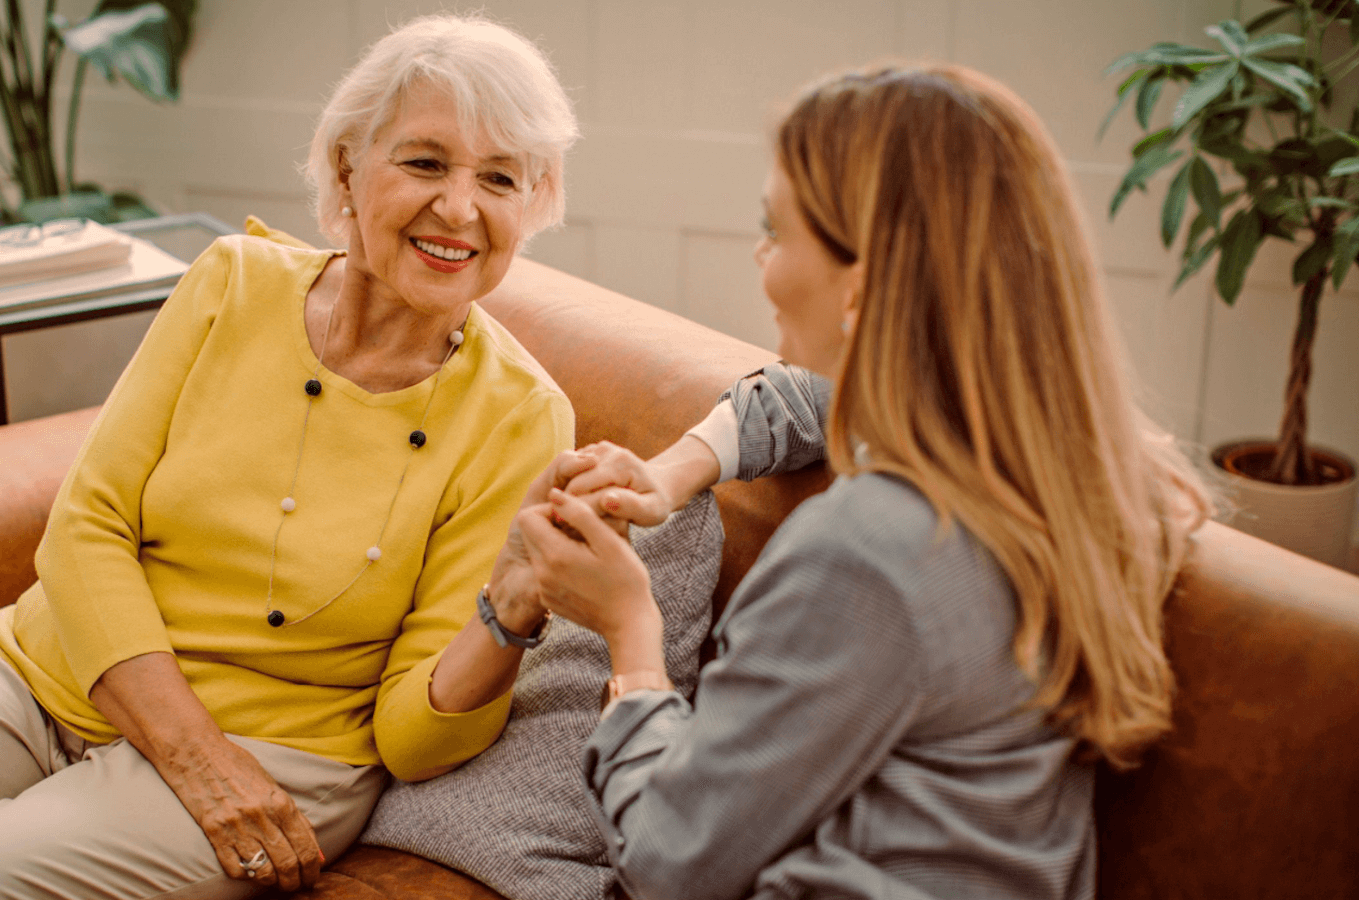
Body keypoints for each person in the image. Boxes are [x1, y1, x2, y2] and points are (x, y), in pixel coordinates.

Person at [0, 14, 577, 900]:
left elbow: (412, 741)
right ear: (347, 165)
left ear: (532, 205)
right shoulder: (232, 282)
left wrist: (510, 614)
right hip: (56, 671)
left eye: (500, 178)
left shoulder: (519, 418)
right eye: (424, 162)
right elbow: (86, 526)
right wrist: (187, 750)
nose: (460, 207)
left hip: (274, 748)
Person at [517, 64, 1214, 900]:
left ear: (862, 281)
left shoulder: (868, 552)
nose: (761, 258)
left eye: (777, 230)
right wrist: (671, 476)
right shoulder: (1072, 464)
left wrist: (630, 631)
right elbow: (818, 398)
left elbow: (672, 859)